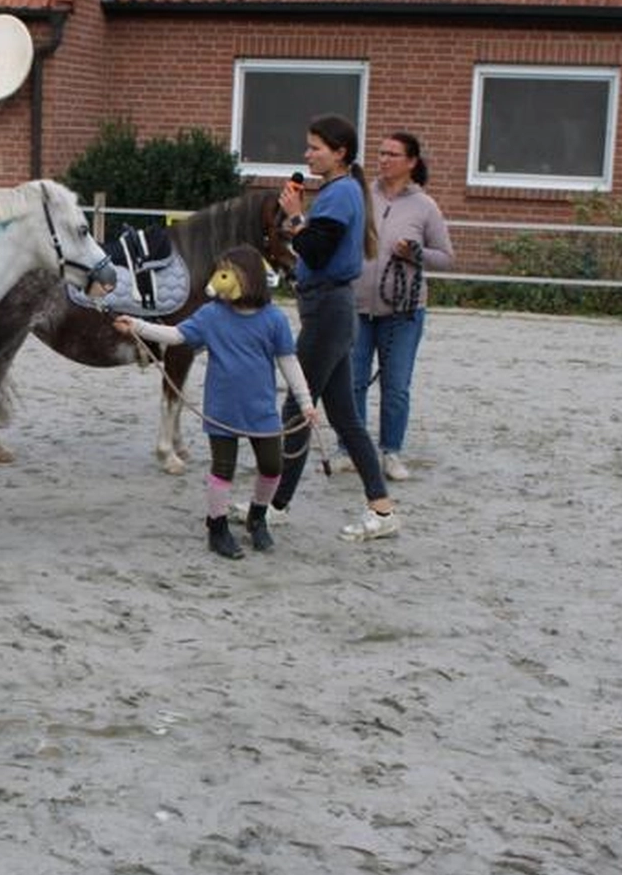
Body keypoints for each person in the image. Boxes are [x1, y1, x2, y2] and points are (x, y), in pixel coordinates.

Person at [113, 246, 315, 558]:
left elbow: (288, 361)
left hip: (261, 410)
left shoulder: (274, 319)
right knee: (223, 470)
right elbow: (177, 335)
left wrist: (305, 402)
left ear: (250, 277)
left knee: (272, 467)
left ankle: (258, 517)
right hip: (222, 409)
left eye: (229, 272)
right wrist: (138, 326)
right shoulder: (212, 315)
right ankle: (217, 527)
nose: (222, 278)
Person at [271, 114, 401, 541]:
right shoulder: (340, 191)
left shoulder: (340, 193)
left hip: (328, 309)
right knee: (344, 417)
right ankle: (380, 508)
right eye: (308, 146)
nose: (307, 154)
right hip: (329, 307)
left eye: (316, 148)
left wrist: (295, 217)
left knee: (296, 408)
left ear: (340, 152)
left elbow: (317, 251)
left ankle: (274, 505)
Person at [347, 131, 455, 481]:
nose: (384, 159)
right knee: (353, 381)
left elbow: (446, 258)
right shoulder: (362, 196)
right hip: (357, 306)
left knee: (395, 385)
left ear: (411, 162)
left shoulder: (425, 206)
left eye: (392, 154)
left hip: (404, 311)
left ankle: (390, 451)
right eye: (381, 153)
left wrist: (415, 253)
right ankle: (351, 449)